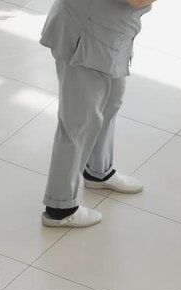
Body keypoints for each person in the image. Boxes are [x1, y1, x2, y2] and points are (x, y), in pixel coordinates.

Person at [39, 0, 156, 228]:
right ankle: (60, 208)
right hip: (85, 34)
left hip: (111, 32)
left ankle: (98, 171)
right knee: (78, 122)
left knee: (111, 101)